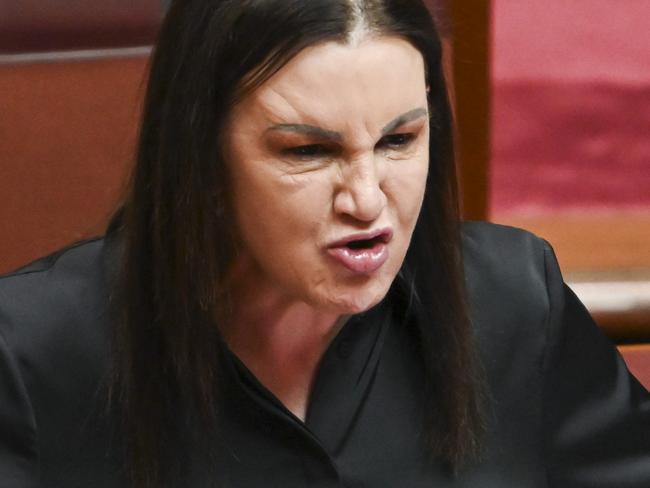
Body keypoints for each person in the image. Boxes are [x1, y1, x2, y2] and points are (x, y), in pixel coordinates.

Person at [0, 0, 648, 487]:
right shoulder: (29, 358)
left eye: (399, 141)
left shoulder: (513, 298)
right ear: (199, 152)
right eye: (308, 150)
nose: (366, 199)